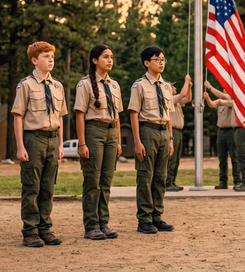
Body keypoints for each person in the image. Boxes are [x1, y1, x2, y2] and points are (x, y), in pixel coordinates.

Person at [12, 41, 67, 248]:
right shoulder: (26, 85)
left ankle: (45, 228)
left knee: (48, 187)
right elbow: (18, 117)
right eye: (45, 56)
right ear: (34, 60)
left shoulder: (57, 86)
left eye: (52, 56)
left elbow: (60, 117)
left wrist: (61, 144)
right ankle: (30, 231)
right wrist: (20, 146)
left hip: (53, 139)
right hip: (33, 139)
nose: (50, 59)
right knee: (31, 187)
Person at [74, 44, 123, 240]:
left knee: (106, 181)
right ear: (95, 60)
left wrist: (118, 141)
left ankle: (104, 223)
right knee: (92, 181)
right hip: (94, 131)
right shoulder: (84, 84)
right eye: (105, 57)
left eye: (111, 56)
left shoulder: (114, 85)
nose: (110, 60)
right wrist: (82, 143)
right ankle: (91, 225)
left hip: (111, 133)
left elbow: (117, 116)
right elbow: (79, 115)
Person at [128, 46, 175, 234]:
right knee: (145, 176)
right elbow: (134, 114)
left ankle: (157, 216)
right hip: (148, 131)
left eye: (163, 59)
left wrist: (171, 138)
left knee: (161, 177)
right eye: (157, 59)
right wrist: (137, 142)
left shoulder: (165, 86)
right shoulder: (139, 85)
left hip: (164, 132)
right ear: (147, 63)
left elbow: (169, 114)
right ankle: (144, 219)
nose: (161, 62)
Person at [203, 81, 240, 189]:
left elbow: (222, 96)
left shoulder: (229, 100)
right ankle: (223, 181)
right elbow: (212, 105)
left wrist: (210, 87)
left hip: (230, 131)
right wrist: (208, 98)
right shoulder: (220, 102)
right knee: (222, 158)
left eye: (226, 89)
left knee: (234, 157)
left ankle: (237, 180)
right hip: (221, 131)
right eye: (224, 88)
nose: (224, 90)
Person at [166, 75, 192, 192]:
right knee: (172, 158)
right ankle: (168, 182)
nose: (175, 89)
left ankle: (172, 181)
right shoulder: (170, 99)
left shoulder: (175, 101)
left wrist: (189, 88)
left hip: (178, 131)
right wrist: (186, 81)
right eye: (173, 87)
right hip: (173, 131)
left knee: (176, 158)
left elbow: (187, 98)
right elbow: (182, 95)